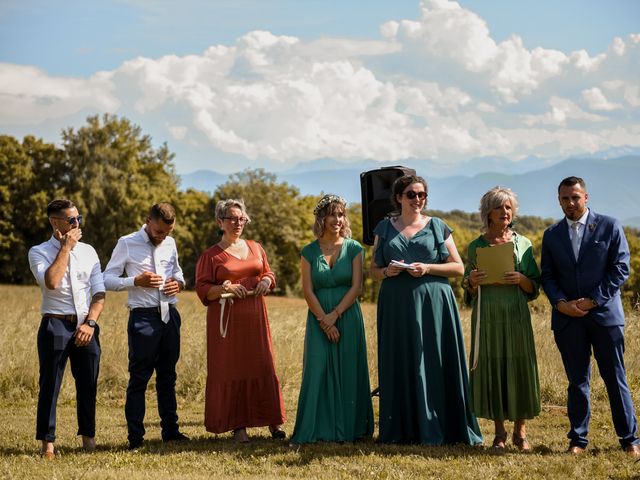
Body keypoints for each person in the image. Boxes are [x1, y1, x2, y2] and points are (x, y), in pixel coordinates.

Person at [371, 174, 482, 445]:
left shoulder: (437, 226)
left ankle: (441, 424)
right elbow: (373, 272)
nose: (418, 199)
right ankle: (402, 426)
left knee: (434, 359)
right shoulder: (383, 228)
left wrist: (428, 268)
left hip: (434, 305)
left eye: (422, 195)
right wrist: (388, 270)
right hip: (397, 305)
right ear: (398, 197)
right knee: (401, 359)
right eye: (411, 194)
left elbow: (458, 267)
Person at [541, 176, 640, 456]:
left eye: (575, 197)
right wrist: (560, 303)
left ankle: (629, 439)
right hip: (567, 318)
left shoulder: (610, 226)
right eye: (565, 199)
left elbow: (620, 269)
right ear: (559, 200)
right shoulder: (552, 234)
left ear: (586, 197)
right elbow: (547, 275)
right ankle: (578, 441)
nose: (570, 203)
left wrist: (592, 301)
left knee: (615, 378)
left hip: (605, 317)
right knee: (577, 381)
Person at [195, 199, 285, 443]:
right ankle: (238, 425)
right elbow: (203, 289)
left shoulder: (256, 247)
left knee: (263, 364)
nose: (238, 223)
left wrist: (267, 281)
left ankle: (274, 422)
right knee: (233, 368)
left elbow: (268, 273)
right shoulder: (211, 256)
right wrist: (225, 287)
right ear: (220, 222)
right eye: (232, 219)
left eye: (241, 218)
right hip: (228, 321)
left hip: (256, 317)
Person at [103, 202, 188, 450]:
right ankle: (135, 438)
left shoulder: (170, 243)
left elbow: (178, 273)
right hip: (143, 318)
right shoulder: (127, 242)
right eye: (159, 231)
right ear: (148, 221)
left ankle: (170, 432)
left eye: (168, 233)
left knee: (168, 377)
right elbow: (106, 278)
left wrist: (178, 284)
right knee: (139, 378)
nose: (163, 237)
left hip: (170, 316)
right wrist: (135, 281)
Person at [290, 195, 374, 444]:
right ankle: (314, 428)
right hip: (318, 317)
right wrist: (324, 321)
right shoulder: (308, 251)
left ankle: (351, 428)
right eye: (332, 215)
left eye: (341, 215)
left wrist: (335, 315)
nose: (337, 220)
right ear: (322, 219)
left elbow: (357, 286)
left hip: (347, 315)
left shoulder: (355, 248)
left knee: (349, 369)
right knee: (317, 370)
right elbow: (307, 290)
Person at [463, 187, 540, 451]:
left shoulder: (524, 244)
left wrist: (521, 279)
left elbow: (535, 287)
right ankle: (499, 433)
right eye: (499, 207)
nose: (505, 212)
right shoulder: (476, 246)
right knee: (492, 366)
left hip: (515, 312)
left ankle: (521, 431)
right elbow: (468, 289)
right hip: (488, 314)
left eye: (508, 207)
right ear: (488, 213)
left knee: (519, 366)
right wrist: (471, 281)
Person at [28, 199, 105, 459]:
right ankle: (47, 443)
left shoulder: (90, 251)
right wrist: (66, 247)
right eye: (71, 220)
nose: (77, 224)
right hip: (55, 324)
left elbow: (99, 293)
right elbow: (50, 281)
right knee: (50, 385)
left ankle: (89, 438)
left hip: (86, 324)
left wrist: (91, 323)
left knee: (88, 384)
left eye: (79, 219)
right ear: (55, 222)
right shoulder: (38, 251)